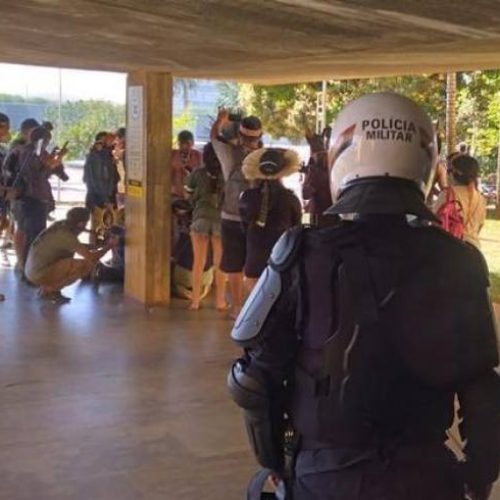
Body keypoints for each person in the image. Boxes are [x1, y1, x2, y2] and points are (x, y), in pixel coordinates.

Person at [228, 93, 499, 500]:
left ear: (342, 154)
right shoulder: (458, 259)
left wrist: (275, 466)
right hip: (425, 476)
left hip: (322, 477)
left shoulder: (300, 251)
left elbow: (254, 381)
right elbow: (483, 390)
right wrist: (479, 479)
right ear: (425, 160)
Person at [211, 108, 263, 318]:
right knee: (255, 263)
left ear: (240, 134)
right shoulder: (265, 156)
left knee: (234, 264)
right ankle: (255, 307)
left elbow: (214, 138)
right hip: (258, 217)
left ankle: (238, 307)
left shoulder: (229, 153)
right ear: (260, 135)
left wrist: (220, 121)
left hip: (231, 215)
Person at [240, 148, 302, 291]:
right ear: (283, 171)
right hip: (280, 257)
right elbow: (296, 228)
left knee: (255, 302)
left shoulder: (247, 197)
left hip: (254, 254)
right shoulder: (290, 199)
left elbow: (243, 227)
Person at [25, 207, 116, 303]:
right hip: (39, 273)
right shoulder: (66, 236)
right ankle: (49, 290)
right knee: (86, 265)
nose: (86, 226)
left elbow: (76, 246)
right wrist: (109, 247)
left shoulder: (61, 226)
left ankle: (47, 288)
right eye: (86, 223)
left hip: (33, 270)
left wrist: (98, 245)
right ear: (81, 223)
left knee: (69, 261)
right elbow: (91, 257)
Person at [184, 142, 226, 310]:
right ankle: (221, 302)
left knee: (198, 262)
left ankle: (195, 301)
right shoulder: (226, 174)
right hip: (220, 221)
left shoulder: (197, 173)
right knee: (220, 263)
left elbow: (187, 193)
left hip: (200, 219)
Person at [2, 118, 40, 269]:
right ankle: (21, 261)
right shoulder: (19, 146)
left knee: (21, 227)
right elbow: (9, 170)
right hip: (15, 192)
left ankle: (22, 261)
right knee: (20, 227)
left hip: (19, 192)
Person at [435, 154, 486, 249]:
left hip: (451, 249)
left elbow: (435, 222)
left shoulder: (447, 194)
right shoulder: (481, 198)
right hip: (475, 250)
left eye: (448, 170)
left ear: (455, 173)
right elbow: (479, 226)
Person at [83, 132, 119, 245]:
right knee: (98, 229)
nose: (113, 143)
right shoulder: (97, 158)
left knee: (107, 229)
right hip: (100, 200)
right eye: (108, 141)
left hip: (104, 199)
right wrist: (106, 200)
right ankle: (94, 258)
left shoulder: (105, 157)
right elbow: (98, 180)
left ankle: (99, 257)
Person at [302, 127, 334, 225]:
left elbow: (305, 194)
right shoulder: (337, 165)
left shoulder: (314, 170)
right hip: (335, 216)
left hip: (319, 218)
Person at [171, 130, 202, 199]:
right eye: (182, 143)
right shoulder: (172, 155)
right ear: (178, 143)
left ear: (192, 143)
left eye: (187, 144)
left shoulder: (198, 155)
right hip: (174, 194)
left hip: (192, 195)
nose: (184, 146)